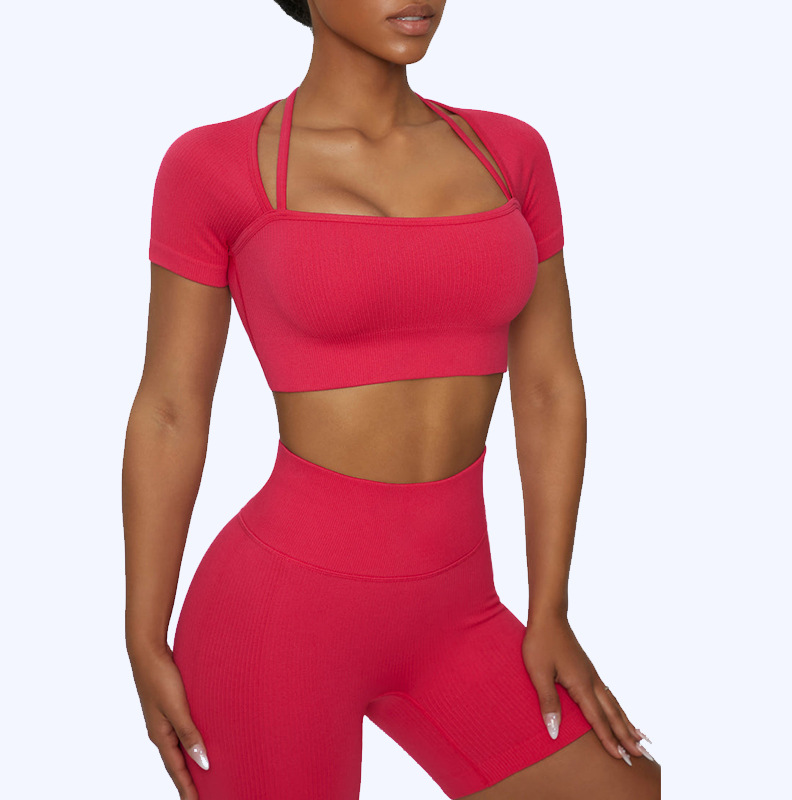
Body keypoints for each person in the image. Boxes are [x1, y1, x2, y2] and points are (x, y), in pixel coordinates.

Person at [123, 1, 661, 798]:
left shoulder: (509, 153)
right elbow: (170, 409)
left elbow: (550, 389)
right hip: (279, 618)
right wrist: (143, 635)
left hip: (459, 611)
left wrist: (549, 608)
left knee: (624, 788)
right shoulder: (217, 165)